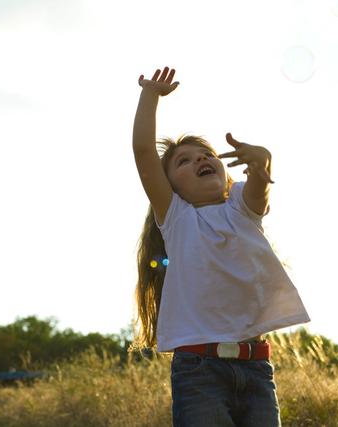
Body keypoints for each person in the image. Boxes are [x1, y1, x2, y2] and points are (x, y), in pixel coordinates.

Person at [131, 66, 310, 427]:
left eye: (206, 154)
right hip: (199, 372)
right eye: (184, 161)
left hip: (256, 366)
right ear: (171, 189)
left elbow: (260, 186)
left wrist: (262, 161)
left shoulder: (241, 207)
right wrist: (150, 94)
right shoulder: (178, 218)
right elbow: (143, 152)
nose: (200, 159)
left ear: (225, 171)